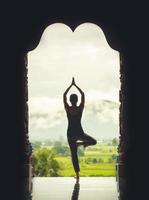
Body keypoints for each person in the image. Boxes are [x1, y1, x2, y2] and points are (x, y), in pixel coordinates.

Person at [63, 77, 97, 179]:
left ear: (70, 100)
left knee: (74, 154)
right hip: (79, 133)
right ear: (77, 100)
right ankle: (80, 144)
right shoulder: (80, 108)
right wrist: (76, 86)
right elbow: (83, 95)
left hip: (70, 134)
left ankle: (77, 175)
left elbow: (64, 95)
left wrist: (71, 85)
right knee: (93, 141)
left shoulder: (68, 109)